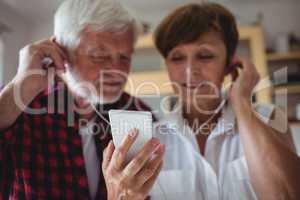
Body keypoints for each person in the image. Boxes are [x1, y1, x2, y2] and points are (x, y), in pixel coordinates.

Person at [0, 0, 166, 199]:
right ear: (60, 50)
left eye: (125, 57)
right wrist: (20, 86)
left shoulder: (139, 113)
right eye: (99, 56)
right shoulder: (17, 107)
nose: (118, 71)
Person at [153, 3, 300, 200]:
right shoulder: (153, 139)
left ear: (229, 64)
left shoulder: (270, 118)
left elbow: (285, 195)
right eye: (177, 58)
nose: (190, 70)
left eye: (205, 56)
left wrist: (242, 103)